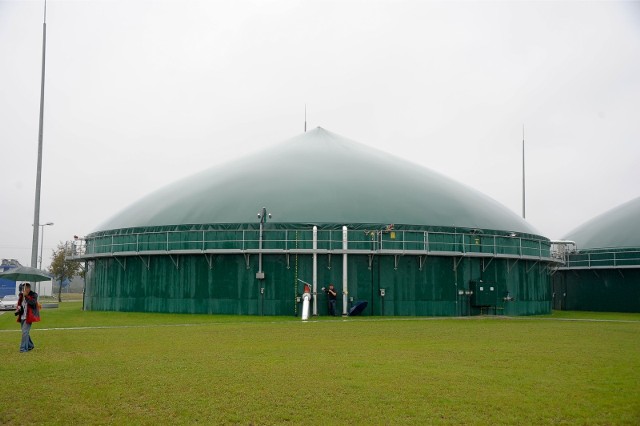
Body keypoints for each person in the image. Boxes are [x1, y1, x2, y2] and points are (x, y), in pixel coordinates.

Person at [15, 283, 40, 353]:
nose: (24, 290)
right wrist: (18, 308)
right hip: (22, 316)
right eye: (23, 289)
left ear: (29, 288)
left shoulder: (34, 294)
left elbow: (33, 303)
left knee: (25, 332)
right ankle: (30, 345)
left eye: (25, 288)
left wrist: (26, 296)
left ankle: (23, 349)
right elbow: (19, 304)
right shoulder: (21, 295)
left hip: (29, 316)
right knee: (25, 332)